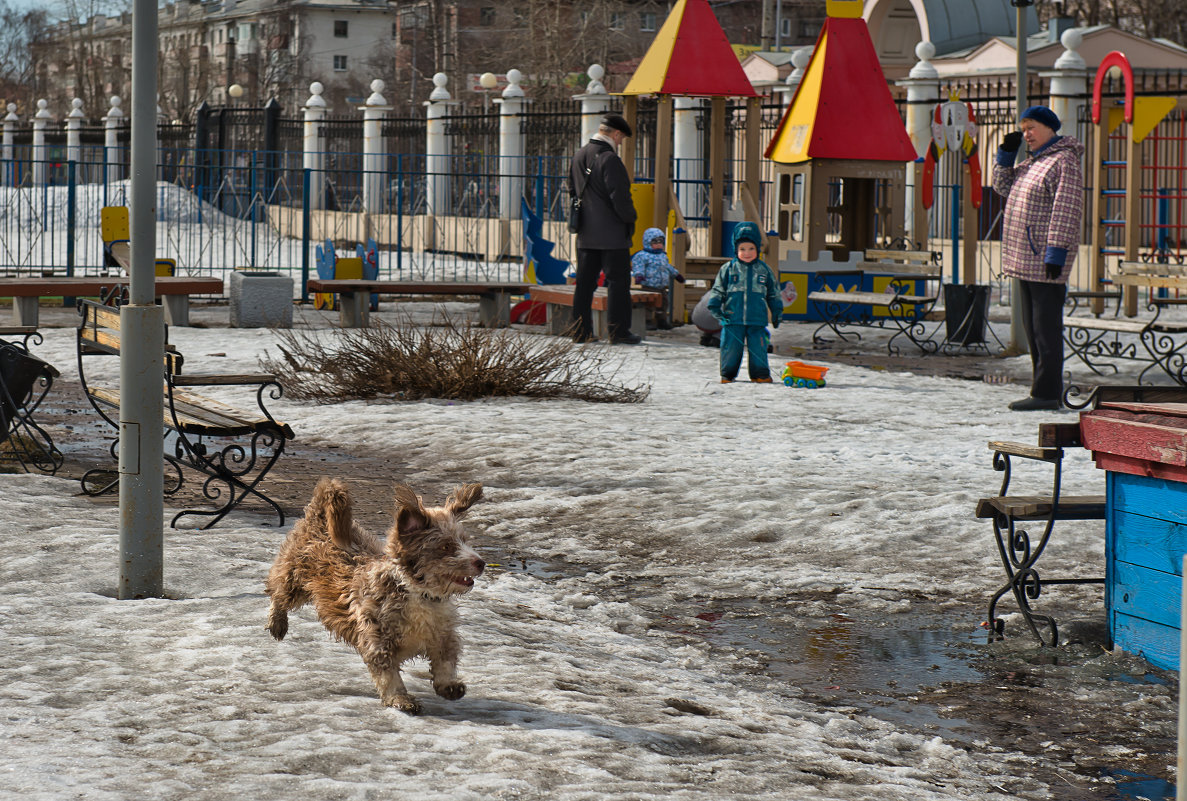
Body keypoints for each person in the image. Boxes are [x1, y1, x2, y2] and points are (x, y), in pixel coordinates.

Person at [992, 104, 1084, 411]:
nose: (1026, 134)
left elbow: (1066, 209)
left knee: (1045, 329)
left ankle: (1047, 393)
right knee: (1033, 329)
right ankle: (1040, 389)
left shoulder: (1064, 161)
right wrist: (1005, 156)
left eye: (1031, 127)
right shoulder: (1035, 162)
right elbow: (1003, 186)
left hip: (1046, 259)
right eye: (1023, 128)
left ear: (1049, 128)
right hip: (1026, 258)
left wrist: (1055, 252)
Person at [568, 113, 640, 344]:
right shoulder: (610, 159)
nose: (620, 143)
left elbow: (571, 188)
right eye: (621, 139)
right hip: (612, 236)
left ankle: (580, 331)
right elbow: (620, 197)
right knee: (618, 283)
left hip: (586, 234)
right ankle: (619, 331)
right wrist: (631, 218)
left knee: (584, 284)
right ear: (616, 134)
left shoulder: (579, 155)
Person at [706, 221, 783, 383]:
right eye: (742, 249)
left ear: (757, 249)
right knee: (731, 348)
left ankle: (760, 374)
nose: (747, 253)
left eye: (751, 249)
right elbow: (718, 289)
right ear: (736, 249)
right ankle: (727, 374)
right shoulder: (728, 269)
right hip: (732, 318)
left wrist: (776, 312)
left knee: (758, 348)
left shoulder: (764, 270)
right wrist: (715, 306)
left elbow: (773, 293)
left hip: (757, 318)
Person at [630, 227, 685, 329]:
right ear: (648, 242)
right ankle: (647, 320)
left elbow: (667, 267)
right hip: (648, 285)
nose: (659, 244)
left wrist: (676, 275)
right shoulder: (643, 256)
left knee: (663, 303)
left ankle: (661, 320)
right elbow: (639, 266)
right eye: (655, 242)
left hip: (661, 286)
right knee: (649, 303)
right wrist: (639, 275)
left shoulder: (662, 256)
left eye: (661, 241)